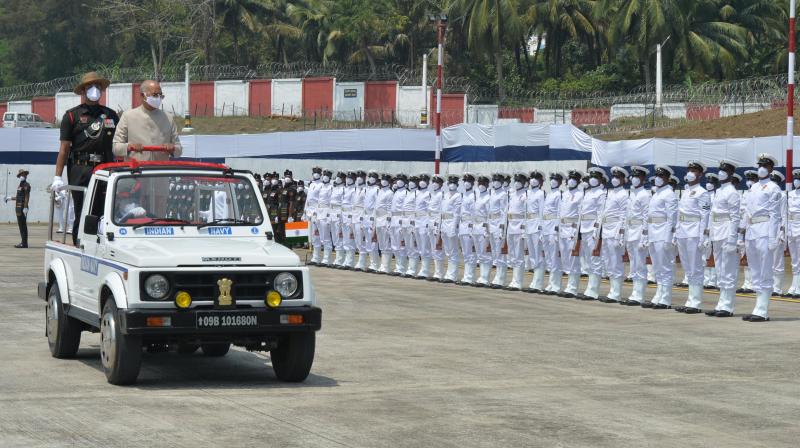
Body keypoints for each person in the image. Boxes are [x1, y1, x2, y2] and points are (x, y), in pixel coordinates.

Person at [51, 72, 120, 245]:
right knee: (82, 209)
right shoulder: (72, 116)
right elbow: (64, 148)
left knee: (103, 209)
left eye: (97, 86)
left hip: (104, 168)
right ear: (83, 91)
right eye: (90, 87)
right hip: (80, 168)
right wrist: (57, 176)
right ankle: (79, 244)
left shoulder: (111, 115)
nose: (94, 90)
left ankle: (100, 245)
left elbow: (118, 145)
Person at [741, 154, 783, 322]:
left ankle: (762, 310)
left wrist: (773, 238)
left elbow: (775, 216)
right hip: (752, 231)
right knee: (755, 270)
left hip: (765, 230)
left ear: (771, 169)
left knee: (765, 270)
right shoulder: (753, 188)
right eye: (760, 164)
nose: (762, 168)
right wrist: (742, 234)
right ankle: (757, 307)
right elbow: (746, 212)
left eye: (765, 165)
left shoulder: (773, 188)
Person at [673, 161, 711, 314]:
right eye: (689, 170)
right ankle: (690, 300)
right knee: (688, 268)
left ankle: (695, 302)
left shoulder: (703, 192)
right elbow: (679, 214)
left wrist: (703, 236)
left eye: (694, 170)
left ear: (700, 174)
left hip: (694, 232)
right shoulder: (686, 190)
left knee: (695, 268)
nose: (690, 173)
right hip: (683, 231)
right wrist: (676, 232)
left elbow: (705, 216)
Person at [112, 80, 182, 161]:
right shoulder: (128, 116)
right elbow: (116, 147)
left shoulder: (168, 118)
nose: (158, 98)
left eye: (160, 96)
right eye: (155, 95)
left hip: (160, 170)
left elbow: (179, 149)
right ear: (142, 96)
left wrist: (172, 148)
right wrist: (129, 146)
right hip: (135, 170)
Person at [705, 161, 741, 317]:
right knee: (720, 270)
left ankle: (728, 306)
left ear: (730, 173)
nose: (721, 172)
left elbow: (735, 217)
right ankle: (721, 303)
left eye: (724, 170)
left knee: (728, 270)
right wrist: (710, 234)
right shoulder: (720, 191)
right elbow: (713, 215)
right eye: (720, 170)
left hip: (727, 233)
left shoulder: (732, 192)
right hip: (717, 233)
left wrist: (733, 239)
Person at [642, 166, 678, 309]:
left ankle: (666, 298)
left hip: (663, 233)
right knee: (657, 267)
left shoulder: (669, 194)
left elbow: (672, 218)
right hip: (653, 233)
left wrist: (669, 237)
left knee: (666, 266)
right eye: (656, 175)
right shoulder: (656, 193)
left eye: (661, 176)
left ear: (667, 179)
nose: (657, 178)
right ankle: (659, 294)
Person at [598, 167, 628, 303]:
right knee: (609, 261)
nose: (615, 179)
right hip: (606, 230)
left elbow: (623, 216)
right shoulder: (610, 193)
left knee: (616, 262)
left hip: (615, 230)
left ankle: (616, 293)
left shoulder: (623, 194)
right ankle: (612, 291)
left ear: (623, 179)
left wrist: (620, 235)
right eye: (614, 177)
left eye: (618, 177)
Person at [577, 167, 607, 300]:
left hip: (593, 230)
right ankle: (589, 288)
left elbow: (600, 214)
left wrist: (597, 231)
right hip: (584, 228)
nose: (593, 179)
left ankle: (593, 290)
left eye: (596, 177)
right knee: (588, 260)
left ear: (601, 179)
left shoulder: (601, 193)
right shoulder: (588, 193)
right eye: (591, 177)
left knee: (595, 260)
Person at [623, 166, 651, 306]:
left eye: (637, 176)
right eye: (633, 176)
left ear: (643, 179)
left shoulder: (645, 195)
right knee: (633, 264)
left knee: (640, 264)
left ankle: (639, 294)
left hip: (639, 232)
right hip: (631, 232)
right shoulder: (632, 194)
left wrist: (645, 236)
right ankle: (634, 293)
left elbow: (647, 217)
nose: (634, 178)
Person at [557, 170, 583, 298]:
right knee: (566, 259)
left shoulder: (580, 194)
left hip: (573, 229)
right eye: (570, 178)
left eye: (574, 179)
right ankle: (567, 285)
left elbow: (580, 215)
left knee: (574, 260)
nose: (571, 180)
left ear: (579, 181)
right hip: (563, 229)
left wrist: (578, 234)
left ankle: (572, 287)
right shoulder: (564, 194)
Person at [504, 173, 529, 290]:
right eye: (516, 180)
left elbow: (526, 214)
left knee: (519, 256)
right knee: (512, 255)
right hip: (511, 227)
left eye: (520, 180)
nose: (517, 182)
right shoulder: (513, 194)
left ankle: (518, 282)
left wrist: (524, 231)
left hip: (519, 228)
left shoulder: (526, 195)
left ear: (525, 182)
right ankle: (513, 280)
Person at [524, 170, 546, 293]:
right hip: (528, 225)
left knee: (538, 255)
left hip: (537, 224)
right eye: (532, 177)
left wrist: (542, 228)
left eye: (536, 178)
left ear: (540, 181)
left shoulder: (541, 193)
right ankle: (534, 282)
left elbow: (542, 212)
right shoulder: (527, 193)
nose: (533, 179)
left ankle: (538, 283)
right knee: (532, 255)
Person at [542, 173, 564, 295]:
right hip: (545, 228)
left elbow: (559, 214)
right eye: (552, 179)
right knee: (549, 259)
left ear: (561, 182)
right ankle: (551, 284)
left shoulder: (559, 194)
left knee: (555, 258)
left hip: (552, 229)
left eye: (556, 179)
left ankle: (555, 285)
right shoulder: (549, 194)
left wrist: (556, 231)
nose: (553, 181)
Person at [488, 173, 509, 288]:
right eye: (494, 179)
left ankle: (500, 279)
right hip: (491, 225)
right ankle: (497, 277)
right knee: (495, 253)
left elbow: (503, 213)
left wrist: (502, 229)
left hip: (498, 226)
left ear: (502, 181)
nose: (495, 181)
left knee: (500, 253)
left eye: (498, 180)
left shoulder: (503, 194)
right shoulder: (492, 193)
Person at [440, 175, 463, 283]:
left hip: (451, 225)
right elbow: (442, 212)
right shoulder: (445, 195)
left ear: (457, 185)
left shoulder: (458, 196)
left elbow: (457, 214)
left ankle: (452, 275)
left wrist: (454, 227)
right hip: (444, 224)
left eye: (454, 182)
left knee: (453, 251)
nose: (452, 184)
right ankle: (449, 273)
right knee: (448, 251)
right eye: (450, 182)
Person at [769, 170, 787, 296]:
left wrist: (782, 232)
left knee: (777, 260)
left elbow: (784, 215)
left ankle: (777, 287)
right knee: (767, 260)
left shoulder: (782, 195)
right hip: (765, 229)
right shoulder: (765, 193)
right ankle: (768, 285)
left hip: (776, 230)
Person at [457, 173, 477, 285]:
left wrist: (472, 228)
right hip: (463, 226)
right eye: (465, 180)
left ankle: (470, 277)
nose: (466, 182)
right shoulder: (464, 195)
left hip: (470, 226)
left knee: (470, 253)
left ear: (473, 183)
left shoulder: (474, 195)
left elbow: (475, 214)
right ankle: (466, 276)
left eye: (468, 180)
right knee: (465, 253)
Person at [473, 175, 492, 287]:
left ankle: (485, 277)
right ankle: (481, 277)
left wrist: (487, 230)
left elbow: (490, 215)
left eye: (483, 183)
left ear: (487, 184)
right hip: (476, 227)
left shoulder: (488, 196)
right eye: (479, 182)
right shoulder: (476, 195)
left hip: (484, 227)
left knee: (485, 254)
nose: (481, 184)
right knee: (480, 254)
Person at [413, 174, 432, 278]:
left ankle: (425, 270)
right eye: (421, 179)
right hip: (417, 222)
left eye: (424, 179)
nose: (422, 181)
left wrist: (428, 223)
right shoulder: (417, 193)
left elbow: (430, 210)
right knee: (420, 248)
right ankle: (421, 270)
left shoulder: (428, 194)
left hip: (424, 222)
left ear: (428, 182)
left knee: (425, 248)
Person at [4, 169, 30, 248]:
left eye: (23, 175)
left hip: (22, 207)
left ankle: (24, 243)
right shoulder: (20, 185)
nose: (22, 176)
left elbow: (26, 197)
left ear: (25, 175)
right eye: (21, 175)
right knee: (20, 225)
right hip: (18, 207)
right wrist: (10, 198)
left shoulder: (26, 185)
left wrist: (25, 207)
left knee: (23, 225)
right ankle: (23, 242)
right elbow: (18, 197)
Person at [427, 175, 446, 280]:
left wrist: (439, 226)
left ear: (441, 184)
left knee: (438, 249)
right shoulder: (432, 194)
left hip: (436, 223)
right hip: (430, 222)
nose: (434, 183)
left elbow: (441, 212)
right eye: (433, 181)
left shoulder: (441, 195)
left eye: (437, 182)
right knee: (433, 249)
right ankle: (436, 272)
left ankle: (440, 273)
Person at [389, 174, 408, 276]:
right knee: (395, 245)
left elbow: (406, 210)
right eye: (397, 179)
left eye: (401, 179)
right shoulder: (395, 192)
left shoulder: (406, 193)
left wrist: (403, 223)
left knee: (401, 245)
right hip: (393, 220)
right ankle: (398, 267)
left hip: (400, 219)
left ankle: (402, 268)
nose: (398, 181)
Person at [785, 169, 800, 298]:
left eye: (798, 179)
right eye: (795, 178)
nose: (796, 181)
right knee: (794, 260)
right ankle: (794, 286)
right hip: (791, 228)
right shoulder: (790, 194)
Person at [375, 173, 394, 274]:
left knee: (386, 244)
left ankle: (385, 266)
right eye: (382, 179)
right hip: (378, 219)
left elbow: (389, 209)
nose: (383, 181)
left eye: (386, 179)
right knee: (382, 244)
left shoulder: (389, 193)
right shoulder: (380, 191)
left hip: (384, 219)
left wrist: (388, 222)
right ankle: (382, 265)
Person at [305, 167, 323, 265]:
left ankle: (318, 258)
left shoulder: (321, 185)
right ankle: (314, 258)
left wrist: (318, 212)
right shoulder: (311, 184)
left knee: (317, 235)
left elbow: (321, 200)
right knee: (312, 236)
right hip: (309, 212)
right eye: (314, 172)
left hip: (316, 212)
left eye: (317, 172)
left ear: (320, 174)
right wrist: (305, 211)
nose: (315, 174)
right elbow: (308, 199)